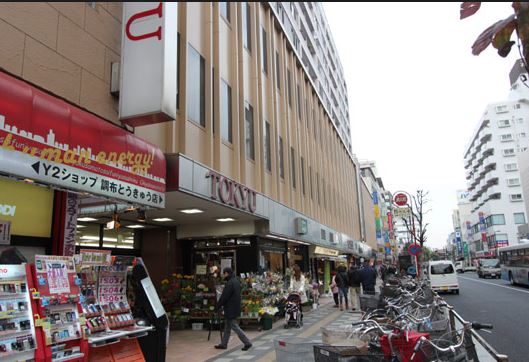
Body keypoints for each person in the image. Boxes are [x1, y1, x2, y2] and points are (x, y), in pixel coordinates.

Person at [214, 267, 252, 351]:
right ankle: (223, 344)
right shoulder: (236, 281)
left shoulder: (230, 283)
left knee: (234, 326)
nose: (224, 275)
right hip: (235, 307)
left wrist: (217, 306)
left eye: (224, 273)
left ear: (227, 273)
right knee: (227, 327)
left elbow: (224, 297)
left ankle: (247, 342)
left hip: (230, 308)